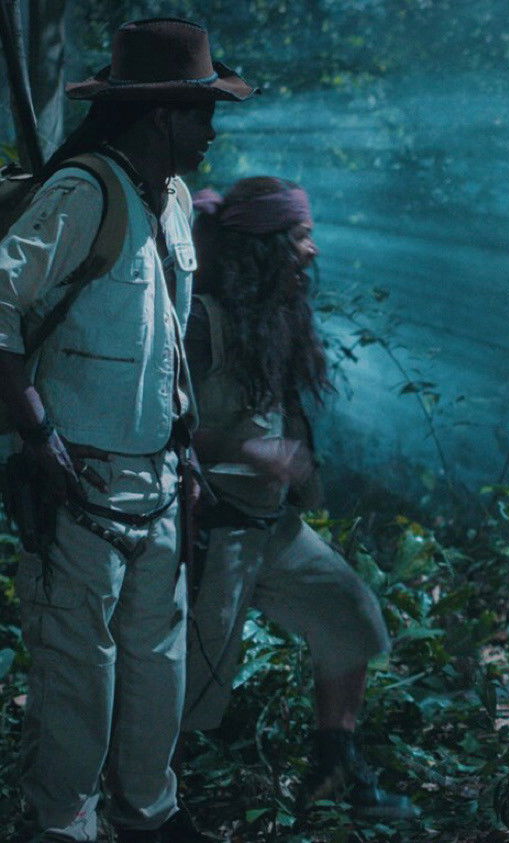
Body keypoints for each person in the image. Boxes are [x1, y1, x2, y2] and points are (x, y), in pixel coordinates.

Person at [0, 18, 252, 842]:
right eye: (200, 113)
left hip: (158, 479)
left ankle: (149, 815)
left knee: (157, 659)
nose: (211, 132)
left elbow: (165, 340)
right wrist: (38, 433)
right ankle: (61, 824)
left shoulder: (171, 201)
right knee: (78, 670)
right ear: (159, 116)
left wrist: (185, 452)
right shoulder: (85, 194)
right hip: (79, 480)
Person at [180, 177, 416, 819]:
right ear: (262, 247)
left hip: (269, 526)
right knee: (190, 682)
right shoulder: (200, 318)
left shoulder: (275, 317)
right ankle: (150, 805)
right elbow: (154, 423)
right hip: (208, 531)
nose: (312, 251)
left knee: (348, 614)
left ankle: (336, 768)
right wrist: (246, 450)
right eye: (300, 237)